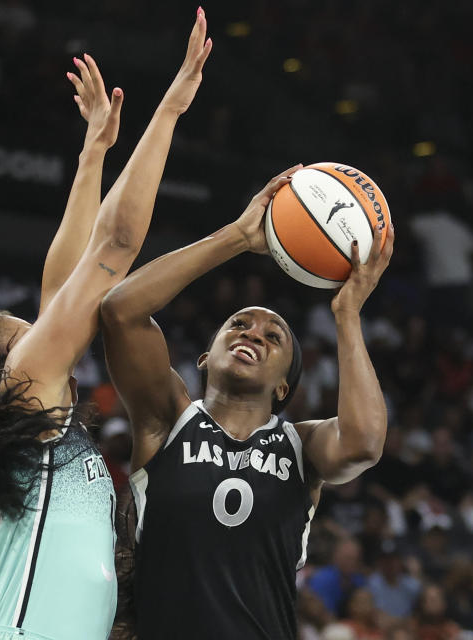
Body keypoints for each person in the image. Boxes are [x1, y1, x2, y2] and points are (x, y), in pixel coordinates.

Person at [0, 10, 213, 640]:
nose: (43, 328)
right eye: (23, 331)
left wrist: (93, 155)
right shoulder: (21, 392)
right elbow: (112, 246)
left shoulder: (26, 416)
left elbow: (63, 284)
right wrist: (168, 111)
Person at [99, 170, 395, 638]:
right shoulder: (168, 418)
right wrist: (236, 237)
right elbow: (120, 311)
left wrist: (347, 316)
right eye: (237, 325)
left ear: (283, 387)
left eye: (273, 337)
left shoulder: (301, 444)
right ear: (204, 358)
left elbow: (364, 443)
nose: (252, 333)